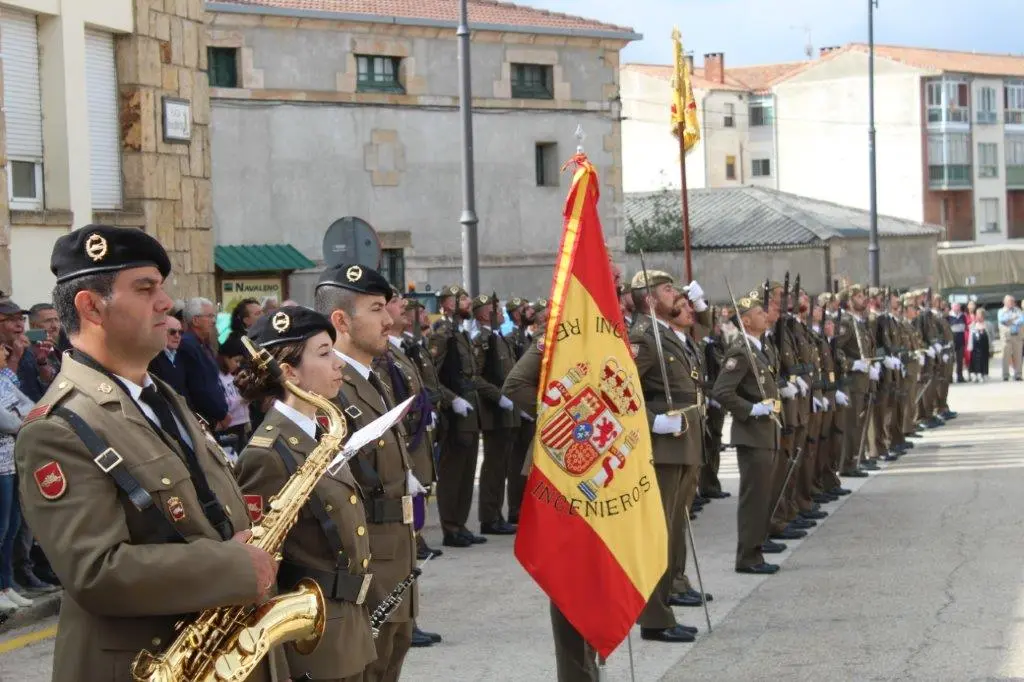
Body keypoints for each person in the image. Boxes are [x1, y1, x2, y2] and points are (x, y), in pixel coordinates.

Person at [14, 225, 283, 682]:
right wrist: (235, 566)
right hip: (148, 663)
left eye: (162, 288)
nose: (166, 303)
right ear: (91, 306)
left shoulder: (160, 395)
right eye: (145, 288)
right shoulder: (58, 427)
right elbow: (96, 571)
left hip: (216, 650)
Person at [234, 305, 378, 682]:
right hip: (311, 640)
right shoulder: (266, 454)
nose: (338, 364)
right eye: (324, 353)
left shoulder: (321, 434)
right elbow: (262, 566)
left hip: (347, 624)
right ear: (288, 371)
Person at [314, 263, 418, 682]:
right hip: (367, 562)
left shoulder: (371, 378)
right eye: (377, 309)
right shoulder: (329, 386)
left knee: (391, 661)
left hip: (396, 554)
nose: (389, 319)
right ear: (341, 320)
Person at [711, 290, 782, 576]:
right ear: (746, 321)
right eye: (759, 313)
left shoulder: (760, 348)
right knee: (754, 497)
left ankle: (756, 549)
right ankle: (748, 557)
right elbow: (721, 390)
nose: (766, 316)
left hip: (766, 433)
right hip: (752, 434)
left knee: (763, 495)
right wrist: (752, 410)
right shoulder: (741, 350)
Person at [428, 285, 487, 548]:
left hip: (471, 413)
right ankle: (450, 527)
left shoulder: (460, 332)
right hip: (454, 415)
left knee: (466, 471)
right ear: (447, 304)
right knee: (452, 473)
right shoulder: (442, 333)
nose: (468, 301)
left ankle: (460, 524)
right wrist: (452, 401)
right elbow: (431, 376)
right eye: (461, 298)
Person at [0, 343, 36, 610]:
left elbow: (30, 407)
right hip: (0, 467)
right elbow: (8, 422)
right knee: (1, 529)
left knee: (12, 527)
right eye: (1, 348)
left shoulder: (4, 380)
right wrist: (19, 419)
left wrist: (20, 417)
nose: (6, 352)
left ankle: (6, 584)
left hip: (12, 462)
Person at [179, 297, 230, 426]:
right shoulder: (188, 345)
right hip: (204, 420)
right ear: (195, 320)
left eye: (214, 316)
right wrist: (219, 415)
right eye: (210, 316)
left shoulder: (202, 344)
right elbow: (200, 387)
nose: (214, 321)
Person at [215, 336, 251, 462]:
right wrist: (242, 399)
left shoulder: (232, 376)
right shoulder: (217, 378)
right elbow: (222, 403)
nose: (238, 365)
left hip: (242, 424)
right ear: (225, 358)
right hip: (228, 428)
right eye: (236, 361)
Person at [148, 314, 187, 394]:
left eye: (180, 332)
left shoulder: (181, 355)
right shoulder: (152, 359)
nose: (177, 336)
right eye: (172, 332)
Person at [997, 295, 1023, 381]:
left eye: (1013, 301)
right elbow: (1002, 319)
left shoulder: (1018, 310)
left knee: (1018, 356)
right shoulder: (1001, 311)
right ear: (1004, 302)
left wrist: (1011, 321)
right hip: (1006, 337)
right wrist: (1013, 318)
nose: (1012, 303)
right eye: (1010, 301)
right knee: (1006, 356)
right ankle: (1005, 375)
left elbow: (1022, 320)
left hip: (1017, 336)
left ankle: (1018, 374)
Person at [968, 309, 991, 382]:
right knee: (976, 360)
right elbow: (970, 336)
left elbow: (991, 335)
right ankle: (977, 373)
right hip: (975, 347)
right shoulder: (973, 325)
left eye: (980, 315)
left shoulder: (988, 324)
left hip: (985, 346)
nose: (979, 316)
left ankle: (985, 373)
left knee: (985, 359)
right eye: (977, 315)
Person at [947, 303, 968, 383]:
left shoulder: (962, 316)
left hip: (961, 338)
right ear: (952, 308)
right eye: (955, 307)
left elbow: (965, 326)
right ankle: (950, 377)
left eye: (958, 307)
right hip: (952, 339)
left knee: (960, 359)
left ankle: (960, 376)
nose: (957, 308)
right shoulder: (949, 316)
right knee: (951, 359)